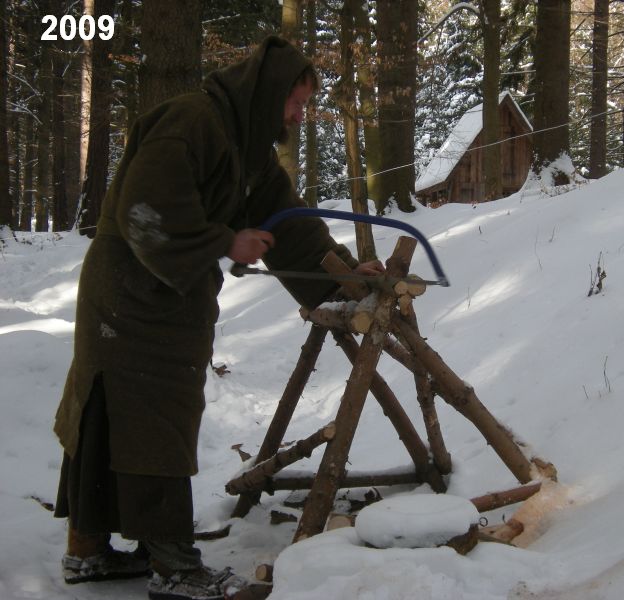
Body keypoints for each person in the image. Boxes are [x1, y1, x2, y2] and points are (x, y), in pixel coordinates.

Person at [53, 36, 383, 600]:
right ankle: (175, 567)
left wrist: (348, 279)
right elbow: (145, 210)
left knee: (121, 413)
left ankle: (90, 552)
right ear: (268, 92)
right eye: (295, 103)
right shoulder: (192, 122)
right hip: (129, 292)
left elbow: (292, 226)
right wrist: (226, 240)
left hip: (167, 295)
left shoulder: (248, 147)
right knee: (147, 417)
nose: (298, 117)